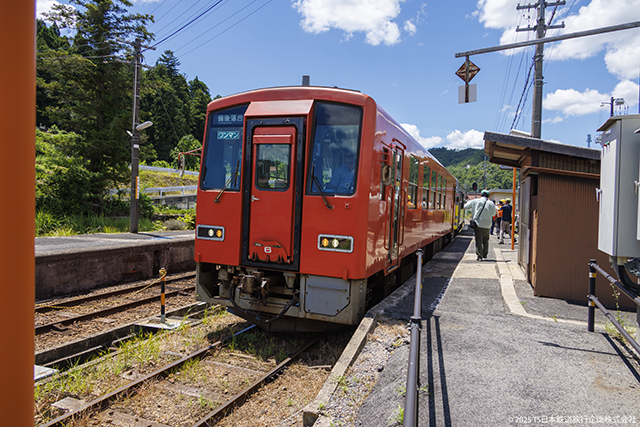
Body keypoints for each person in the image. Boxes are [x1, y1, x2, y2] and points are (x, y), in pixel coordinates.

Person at [464, 189, 497, 261]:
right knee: (486, 240)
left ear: (481, 195)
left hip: (478, 223)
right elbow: (494, 214)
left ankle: (480, 255)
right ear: (488, 196)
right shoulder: (491, 203)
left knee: (479, 240)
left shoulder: (475, 201)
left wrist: (473, 209)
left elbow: (465, 206)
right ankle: (485, 254)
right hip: (488, 224)